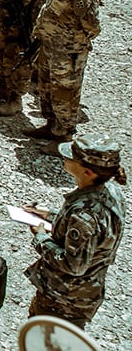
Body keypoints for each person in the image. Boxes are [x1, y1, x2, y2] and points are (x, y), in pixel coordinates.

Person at [25, 134, 125, 329]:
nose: (65, 158)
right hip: (84, 294)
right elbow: (98, 229)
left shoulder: (83, 214)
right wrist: (51, 215)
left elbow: (74, 265)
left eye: (71, 157)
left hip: (63, 300)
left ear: (87, 172)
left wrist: (41, 237)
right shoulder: (110, 190)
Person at [26, 0, 102, 153]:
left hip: (67, 51)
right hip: (49, 45)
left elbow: (92, 24)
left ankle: (64, 137)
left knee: (65, 93)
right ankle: (51, 125)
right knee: (46, 88)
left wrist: (71, 40)